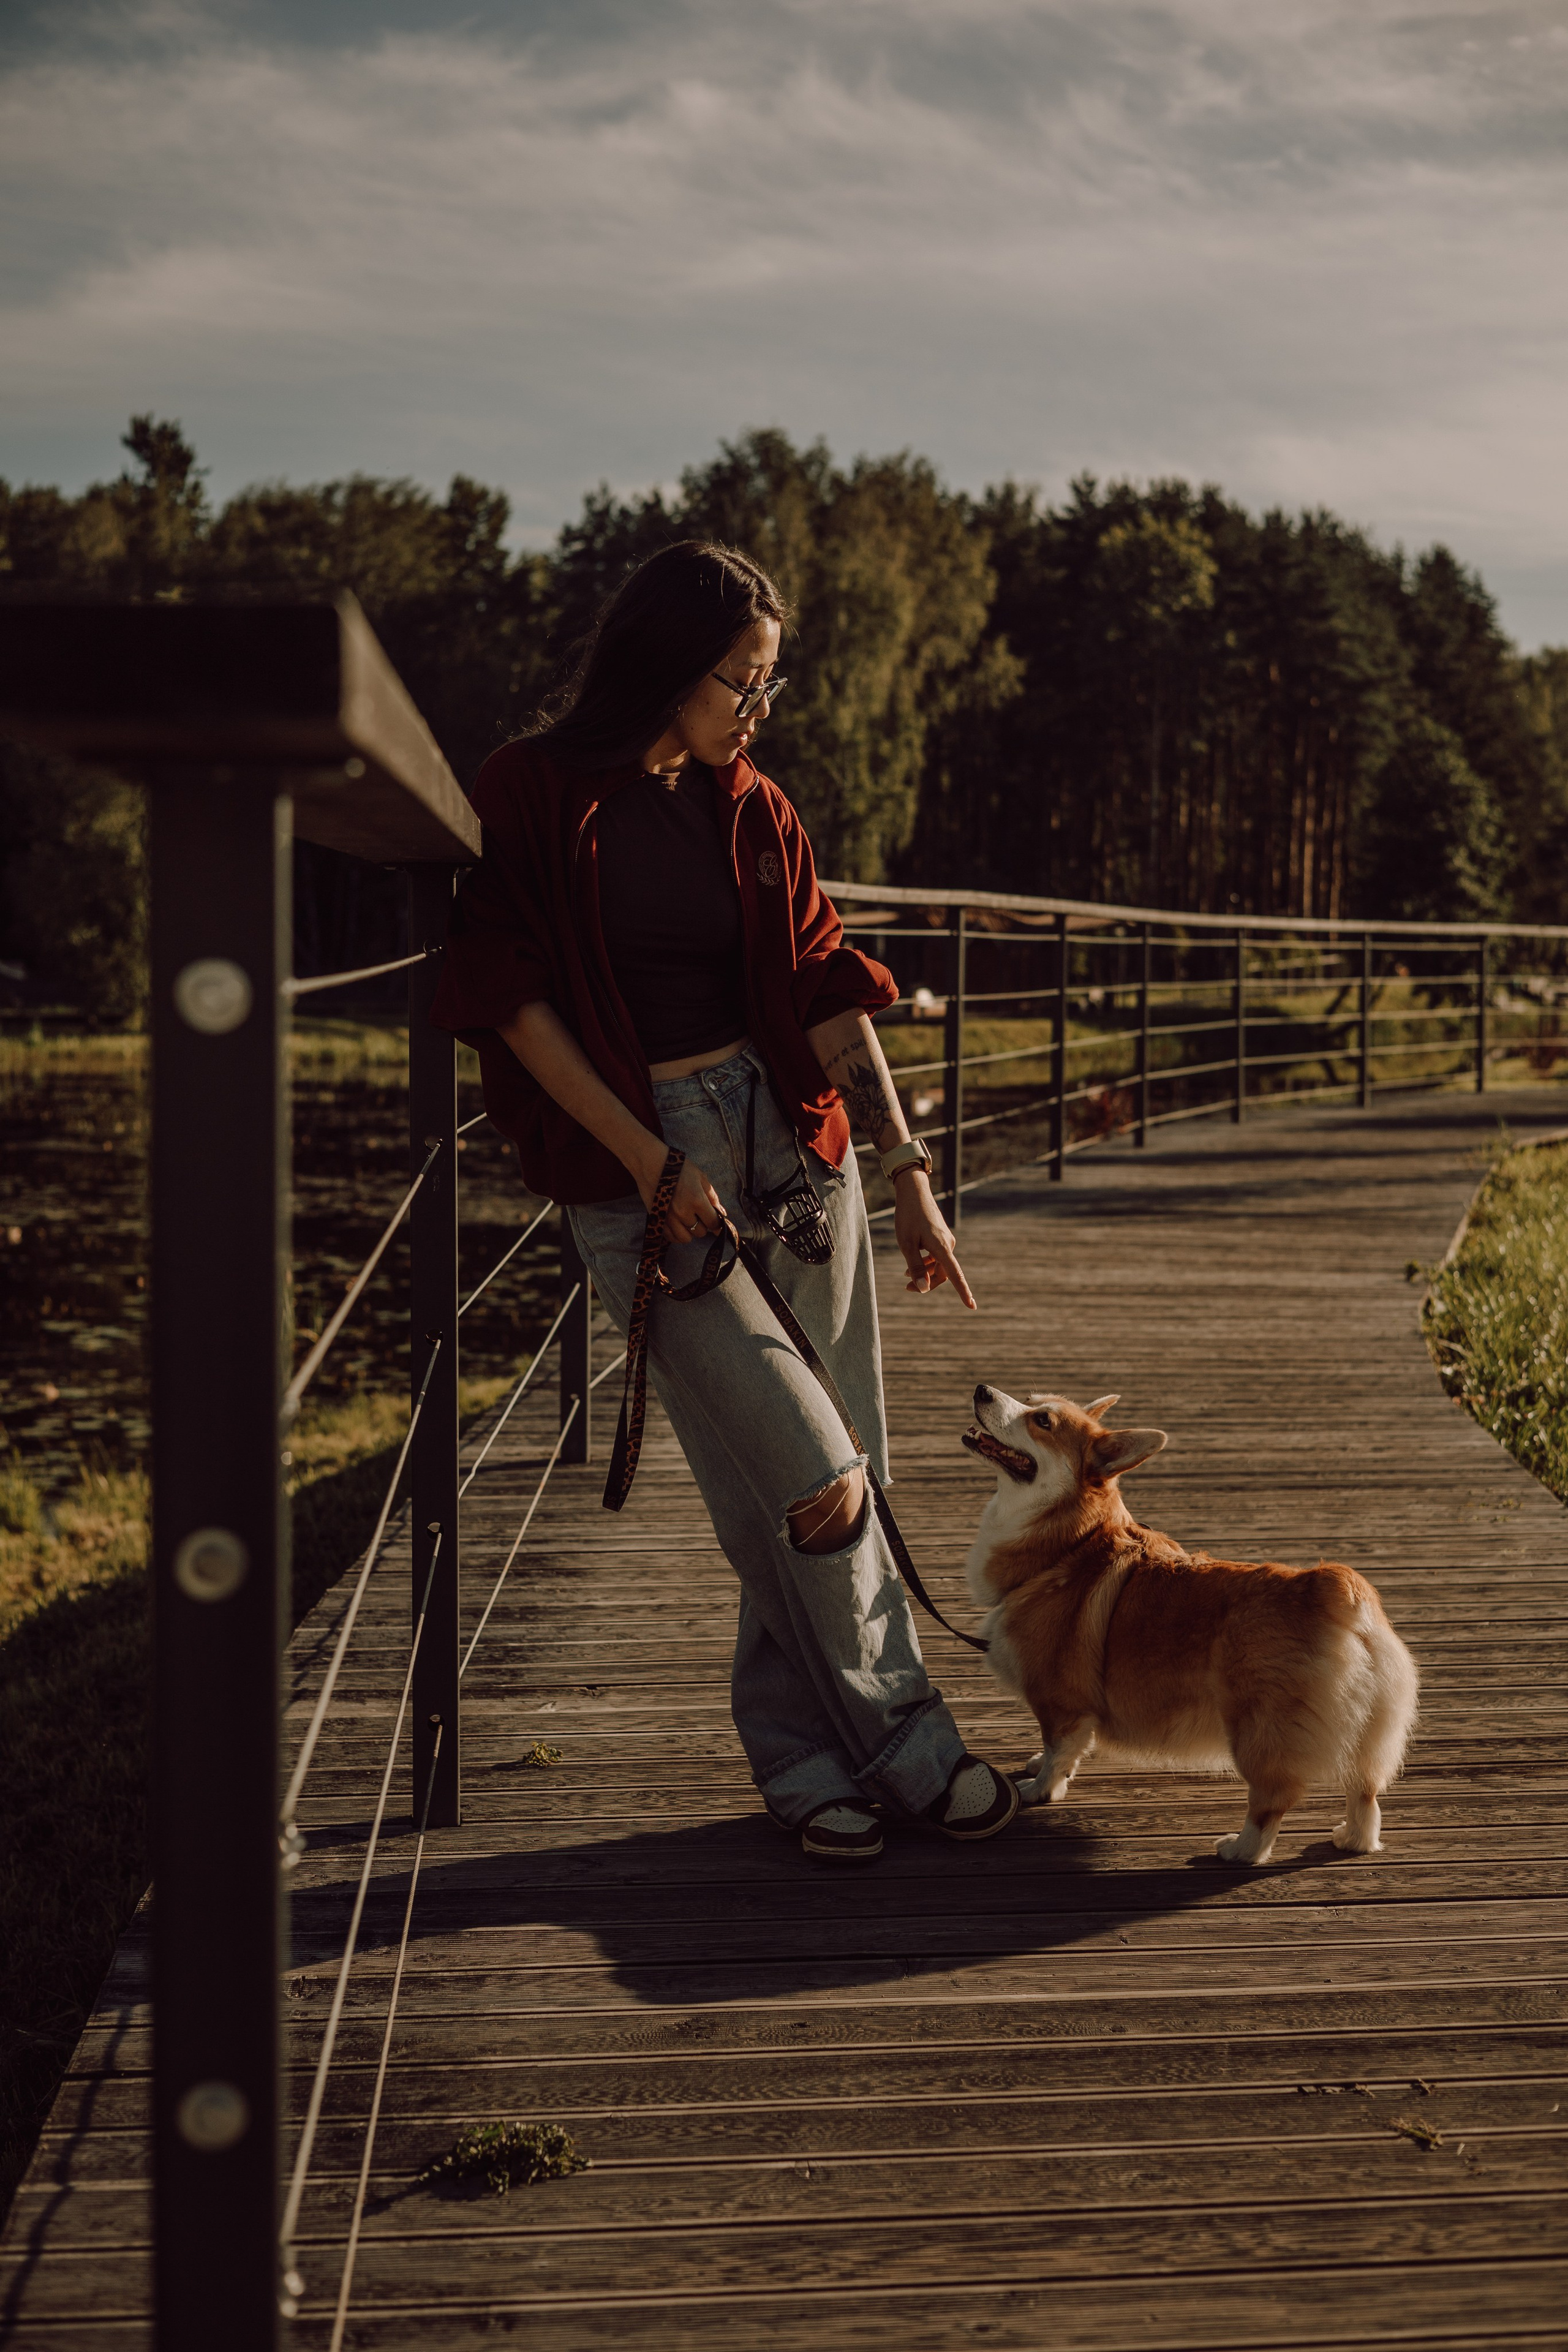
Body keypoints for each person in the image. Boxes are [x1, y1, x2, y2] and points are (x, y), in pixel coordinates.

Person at [431, 539, 1019, 1862]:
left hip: (795, 1155)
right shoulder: (531, 791)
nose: (758, 710)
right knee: (811, 1473)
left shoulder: (751, 803)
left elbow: (824, 989)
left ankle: (803, 1762)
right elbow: (508, 1002)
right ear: (660, 667)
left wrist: (912, 1176)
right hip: (639, 1173)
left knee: (829, 1458)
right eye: (740, 683)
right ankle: (911, 1742)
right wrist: (648, 1163)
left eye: (770, 684)